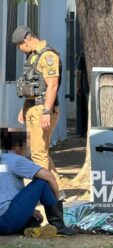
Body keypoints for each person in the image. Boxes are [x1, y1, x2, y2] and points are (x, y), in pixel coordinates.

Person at [0, 128, 75, 236]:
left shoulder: (3, 160)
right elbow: (48, 176)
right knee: (42, 182)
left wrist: (31, 210)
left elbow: (6, 194)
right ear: (17, 146)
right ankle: (58, 225)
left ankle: (31, 224)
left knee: (32, 215)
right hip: (8, 219)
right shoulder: (15, 160)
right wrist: (57, 198)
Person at [12, 26, 61, 176]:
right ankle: (56, 191)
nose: (19, 49)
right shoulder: (33, 56)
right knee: (40, 151)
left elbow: (52, 85)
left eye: (19, 45)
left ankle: (45, 192)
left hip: (43, 108)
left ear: (26, 40)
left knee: (38, 153)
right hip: (33, 108)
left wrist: (46, 111)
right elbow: (33, 85)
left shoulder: (48, 56)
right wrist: (25, 107)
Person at [76, 51, 89, 137]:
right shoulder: (83, 55)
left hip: (85, 84)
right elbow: (79, 72)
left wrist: (78, 86)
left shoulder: (83, 55)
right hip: (86, 84)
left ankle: (84, 131)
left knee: (85, 109)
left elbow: (79, 72)